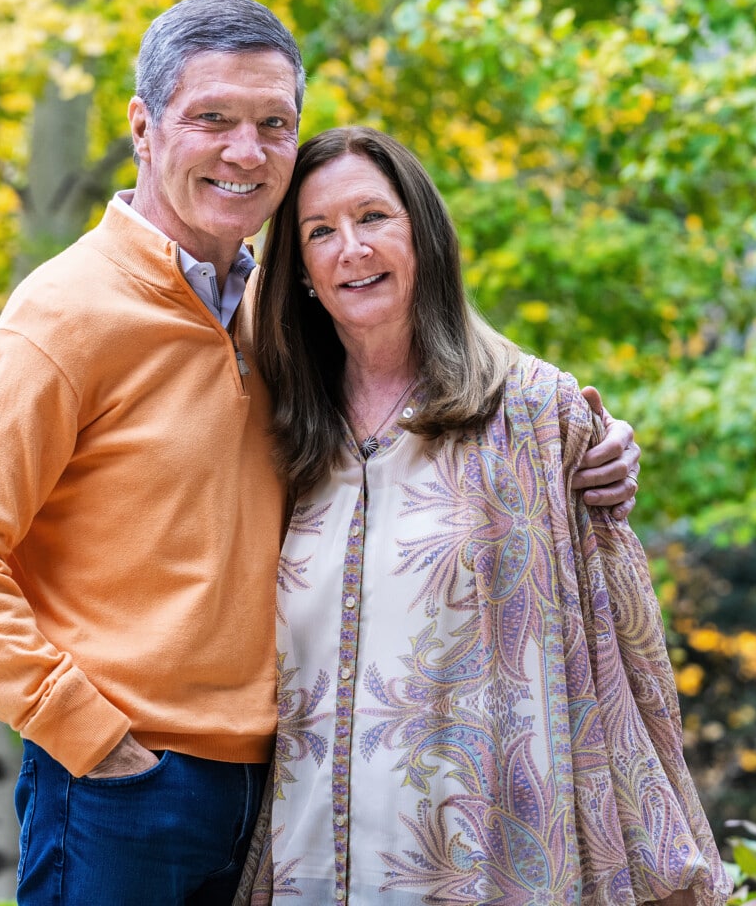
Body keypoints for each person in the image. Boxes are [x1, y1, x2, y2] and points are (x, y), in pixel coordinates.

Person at [0, 0, 641, 906]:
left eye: (273, 125)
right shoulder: (63, 316)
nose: (246, 152)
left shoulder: (277, 317)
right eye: (212, 118)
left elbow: (417, 399)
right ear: (143, 128)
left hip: (278, 795)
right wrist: (91, 735)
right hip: (124, 790)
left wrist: (585, 444)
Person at [239, 126, 725, 905]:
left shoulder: (532, 411)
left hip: (488, 866)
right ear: (300, 272)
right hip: (312, 866)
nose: (351, 249)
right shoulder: (278, 426)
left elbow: (620, 663)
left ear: (424, 235)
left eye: (373, 217)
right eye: (319, 232)